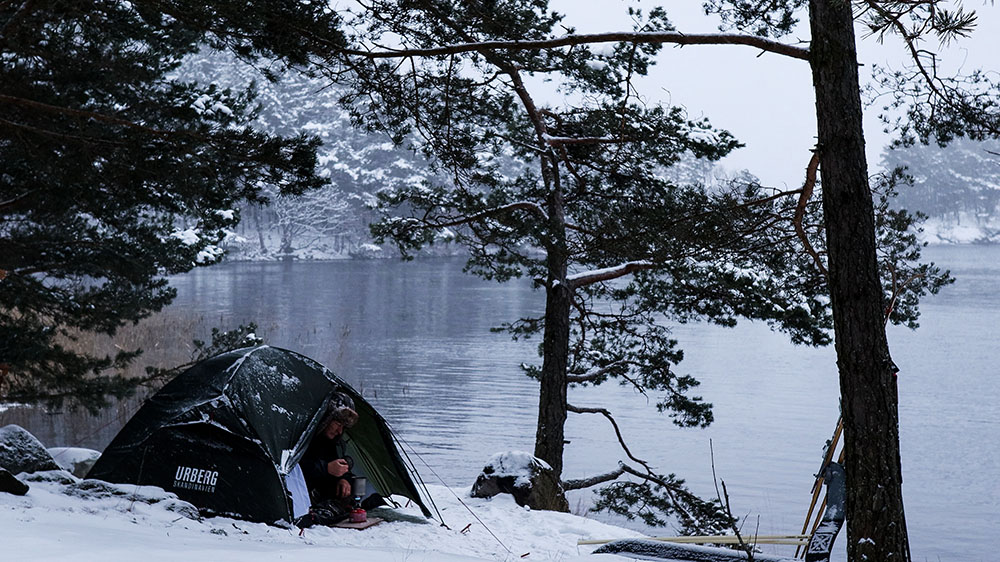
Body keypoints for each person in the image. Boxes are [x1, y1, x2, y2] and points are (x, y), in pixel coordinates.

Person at [297, 391, 360, 526]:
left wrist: (343, 479)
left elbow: (337, 463)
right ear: (326, 419)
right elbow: (294, 470)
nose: (339, 431)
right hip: (302, 491)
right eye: (337, 424)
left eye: (343, 427)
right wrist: (326, 468)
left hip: (321, 491)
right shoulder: (303, 437)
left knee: (354, 487)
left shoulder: (329, 441)